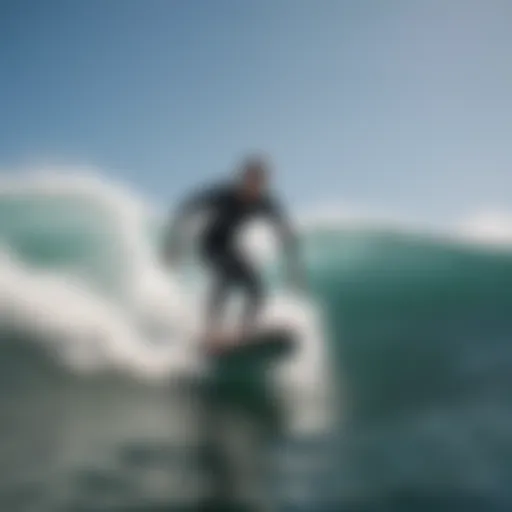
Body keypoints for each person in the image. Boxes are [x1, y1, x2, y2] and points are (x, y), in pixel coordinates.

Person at [163, 155, 303, 352]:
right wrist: (173, 245)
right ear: (243, 178)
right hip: (210, 245)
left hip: (231, 247)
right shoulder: (222, 195)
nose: (255, 186)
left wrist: (294, 269)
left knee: (256, 287)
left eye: (260, 182)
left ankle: (246, 331)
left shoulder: (265, 202)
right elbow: (186, 209)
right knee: (226, 277)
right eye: (251, 179)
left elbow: (285, 234)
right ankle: (211, 331)